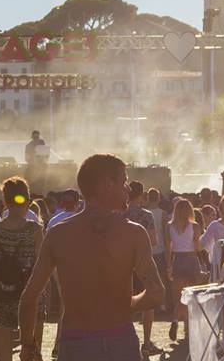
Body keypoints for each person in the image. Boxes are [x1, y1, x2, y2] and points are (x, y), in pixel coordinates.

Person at [18, 154, 165, 361]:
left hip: (76, 343)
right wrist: (125, 303)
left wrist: (27, 345)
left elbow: (29, 298)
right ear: (106, 185)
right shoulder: (134, 234)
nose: (128, 189)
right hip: (120, 340)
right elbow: (156, 293)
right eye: (123, 181)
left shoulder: (59, 234)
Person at [0, 177, 45, 361]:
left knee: (2, 355)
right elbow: (41, 267)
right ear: (27, 200)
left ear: (5, 201)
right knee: (32, 352)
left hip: (0, 295)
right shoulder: (35, 230)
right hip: (29, 296)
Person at [123, 181, 161, 356]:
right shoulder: (146, 215)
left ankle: (126, 340)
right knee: (148, 303)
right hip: (142, 263)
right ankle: (146, 342)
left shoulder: (119, 213)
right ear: (141, 195)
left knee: (124, 302)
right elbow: (153, 241)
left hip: (122, 263)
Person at [165, 197, 203, 342]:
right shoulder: (195, 226)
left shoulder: (169, 226)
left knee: (180, 297)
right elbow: (198, 247)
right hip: (192, 260)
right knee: (192, 297)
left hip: (178, 261)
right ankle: (189, 330)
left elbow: (168, 248)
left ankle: (175, 320)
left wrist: (169, 265)